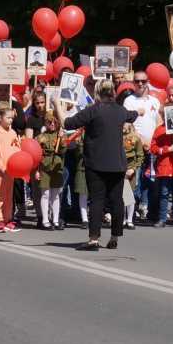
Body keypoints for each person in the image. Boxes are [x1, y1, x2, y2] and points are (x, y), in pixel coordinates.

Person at [62, 79, 137, 250]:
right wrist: (138, 112)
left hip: (96, 163)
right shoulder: (120, 110)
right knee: (117, 200)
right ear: (113, 93)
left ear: (97, 93)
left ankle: (94, 238)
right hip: (117, 163)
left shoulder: (93, 111)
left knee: (97, 200)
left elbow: (68, 124)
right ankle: (114, 237)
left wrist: (57, 106)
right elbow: (132, 115)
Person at [124, 71, 162, 222]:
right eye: (137, 81)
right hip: (134, 148)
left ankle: (149, 211)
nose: (140, 84)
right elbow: (128, 124)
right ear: (133, 82)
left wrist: (152, 142)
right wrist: (142, 141)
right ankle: (129, 215)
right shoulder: (129, 101)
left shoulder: (154, 101)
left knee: (152, 181)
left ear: (148, 81)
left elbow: (159, 122)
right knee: (132, 181)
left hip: (152, 147)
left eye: (143, 81)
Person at [0, 106, 21, 232]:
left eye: (12, 118)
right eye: (8, 118)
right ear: (0, 118)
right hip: (0, 170)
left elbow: (16, 150)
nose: (10, 121)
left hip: (11, 169)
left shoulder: (12, 133)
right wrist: (1, 166)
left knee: (8, 195)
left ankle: (8, 219)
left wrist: (18, 145)